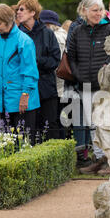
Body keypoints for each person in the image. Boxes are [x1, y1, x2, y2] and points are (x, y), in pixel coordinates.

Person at [67, 0, 110, 174]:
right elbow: (71, 56)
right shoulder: (77, 31)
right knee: (92, 123)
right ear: (84, 11)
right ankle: (98, 158)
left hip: (105, 86)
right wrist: (78, 74)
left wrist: (106, 69)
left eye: (101, 10)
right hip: (85, 85)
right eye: (94, 10)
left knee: (107, 123)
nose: (98, 13)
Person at [0, 4, 40, 144]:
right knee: (9, 143)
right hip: (4, 100)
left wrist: (25, 95)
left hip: (23, 99)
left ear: (8, 21)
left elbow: (31, 71)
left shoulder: (24, 41)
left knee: (25, 143)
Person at [17, 0, 61, 142]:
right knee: (29, 128)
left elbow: (55, 60)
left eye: (21, 9)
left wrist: (36, 61)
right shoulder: (16, 35)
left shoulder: (47, 33)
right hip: (26, 89)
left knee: (49, 126)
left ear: (32, 12)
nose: (18, 12)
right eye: (18, 9)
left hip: (46, 87)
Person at [39, 9, 69, 140]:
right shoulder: (63, 34)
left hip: (56, 83)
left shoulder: (55, 37)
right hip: (61, 84)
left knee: (54, 119)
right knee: (59, 118)